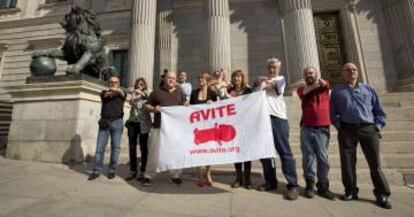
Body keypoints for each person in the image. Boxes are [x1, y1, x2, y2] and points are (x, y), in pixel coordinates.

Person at [330, 63, 392, 209]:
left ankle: (382, 194)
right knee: (347, 163)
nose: (351, 71)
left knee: (375, 164)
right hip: (347, 130)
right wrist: (339, 127)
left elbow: (379, 110)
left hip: (368, 129)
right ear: (342, 73)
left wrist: (377, 126)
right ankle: (351, 190)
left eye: (354, 69)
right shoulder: (337, 91)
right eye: (348, 69)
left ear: (357, 73)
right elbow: (332, 112)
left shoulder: (368, 89)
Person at [254, 58, 299, 200]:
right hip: (262, 120)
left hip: (277, 119)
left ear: (279, 68)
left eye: (274, 67)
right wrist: (256, 83)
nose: (272, 69)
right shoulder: (262, 81)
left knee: (284, 152)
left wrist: (261, 81)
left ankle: (292, 185)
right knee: (266, 153)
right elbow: (254, 95)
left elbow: (270, 86)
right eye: (270, 67)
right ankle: (270, 181)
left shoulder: (281, 79)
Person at [296, 66, 335, 200]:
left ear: (316, 74)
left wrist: (320, 82)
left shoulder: (324, 86)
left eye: (311, 73)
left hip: (322, 128)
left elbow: (325, 84)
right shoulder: (301, 89)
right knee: (308, 158)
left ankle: (323, 186)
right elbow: (305, 91)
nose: (309, 75)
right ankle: (310, 185)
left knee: (323, 158)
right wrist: (315, 84)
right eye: (306, 74)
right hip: (306, 128)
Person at [145, 71, 188, 185]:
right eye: (169, 78)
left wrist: (186, 104)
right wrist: (154, 109)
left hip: (175, 129)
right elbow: (146, 105)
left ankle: (174, 176)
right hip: (159, 127)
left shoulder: (180, 91)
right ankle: (148, 175)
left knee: (176, 153)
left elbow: (185, 103)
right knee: (154, 153)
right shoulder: (157, 92)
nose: (171, 80)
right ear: (164, 79)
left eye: (173, 78)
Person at [88, 74, 126, 180]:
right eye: (111, 82)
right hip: (105, 122)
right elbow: (106, 95)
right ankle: (96, 170)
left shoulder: (122, 93)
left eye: (116, 82)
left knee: (116, 148)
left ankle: (112, 170)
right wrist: (113, 90)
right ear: (108, 83)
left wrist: (116, 90)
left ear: (119, 84)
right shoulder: (103, 92)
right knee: (100, 148)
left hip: (117, 122)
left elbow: (122, 93)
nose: (113, 84)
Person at [189, 72, 218, 187]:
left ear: (207, 80)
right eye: (199, 78)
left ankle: (208, 173)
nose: (200, 80)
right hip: (197, 128)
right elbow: (190, 107)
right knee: (197, 152)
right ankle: (200, 176)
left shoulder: (212, 93)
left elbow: (219, 108)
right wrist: (187, 105)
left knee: (209, 151)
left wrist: (213, 104)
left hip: (209, 127)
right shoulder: (194, 93)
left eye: (202, 79)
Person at [227, 70, 253, 189]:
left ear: (242, 78)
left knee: (246, 153)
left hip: (246, 126)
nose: (237, 79)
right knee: (237, 152)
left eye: (239, 77)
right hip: (234, 126)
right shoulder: (228, 91)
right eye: (235, 77)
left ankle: (248, 180)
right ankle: (238, 178)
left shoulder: (248, 91)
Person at [124, 78, 152, 186]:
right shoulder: (134, 94)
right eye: (138, 84)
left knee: (143, 147)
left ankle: (143, 171)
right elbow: (131, 102)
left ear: (144, 85)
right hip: (133, 122)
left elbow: (147, 96)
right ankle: (133, 170)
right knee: (132, 146)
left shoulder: (147, 93)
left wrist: (139, 93)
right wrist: (135, 95)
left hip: (144, 123)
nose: (139, 86)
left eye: (141, 84)